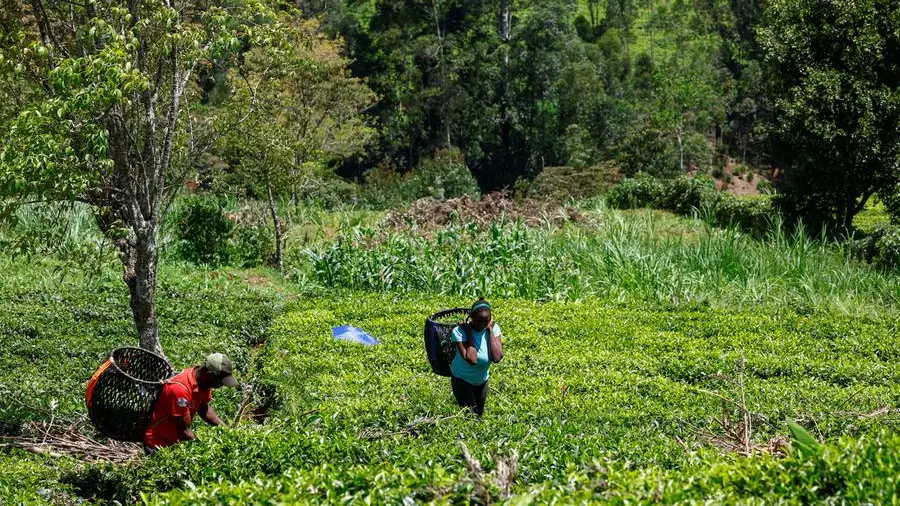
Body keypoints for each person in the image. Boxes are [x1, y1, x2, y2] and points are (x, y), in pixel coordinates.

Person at [142, 353, 239, 454]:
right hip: (158, 444)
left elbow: (203, 408)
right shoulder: (180, 390)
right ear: (209, 375)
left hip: (175, 442)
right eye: (220, 382)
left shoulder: (202, 383)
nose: (221, 386)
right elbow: (184, 430)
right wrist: (206, 449)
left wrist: (226, 430)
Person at [450, 298, 504, 417]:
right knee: (471, 418)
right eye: (479, 320)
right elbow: (472, 359)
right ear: (471, 317)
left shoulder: (494, 328)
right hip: (462, 379)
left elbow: (496, 357)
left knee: (479, 415)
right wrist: (469, 333)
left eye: (486, 321)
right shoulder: (459, 331)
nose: (482, 324)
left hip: (482, 380)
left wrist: (490, 331)